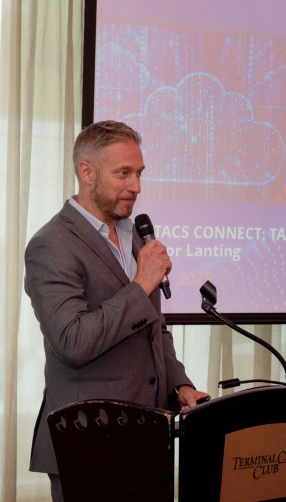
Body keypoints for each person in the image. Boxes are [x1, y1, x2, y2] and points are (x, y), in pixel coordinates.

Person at [25, 120, 209, 501]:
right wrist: (141, 285)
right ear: (86, 171)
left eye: (139, 173)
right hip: (87, 441)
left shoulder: (136, 236)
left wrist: (181, 385)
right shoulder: (52, 245)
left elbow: (152, 330)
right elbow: (72, 341)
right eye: (123, 173)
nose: (136, 186)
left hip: (150, 435)